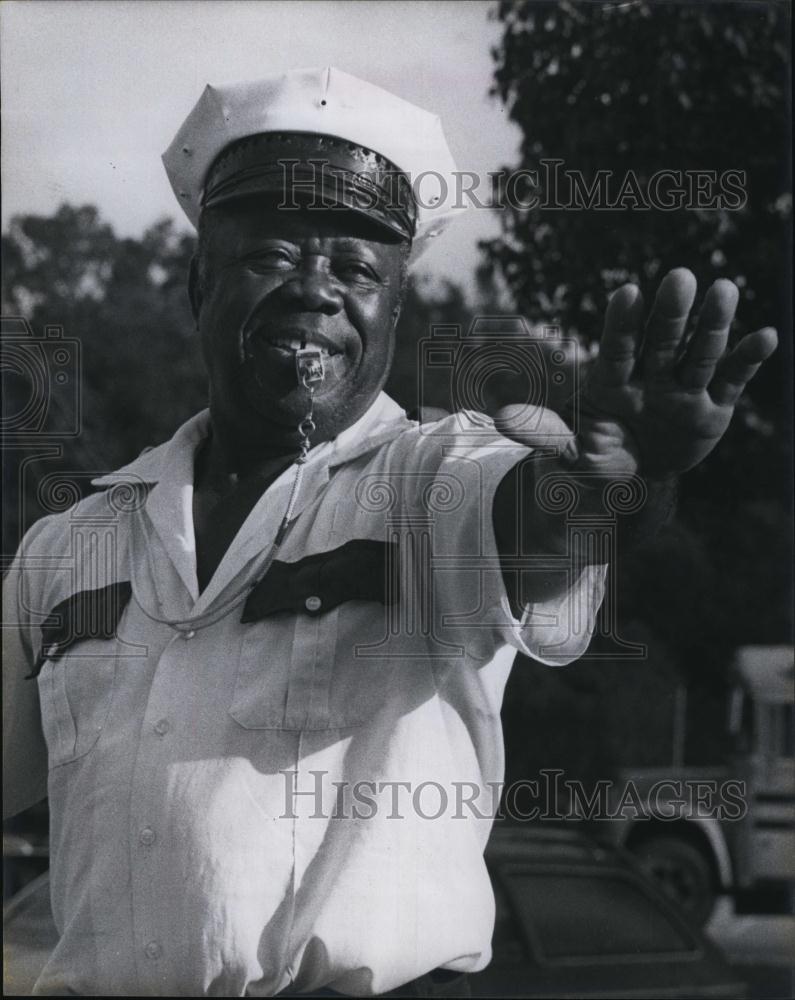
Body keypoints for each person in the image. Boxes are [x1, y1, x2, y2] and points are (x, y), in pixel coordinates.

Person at [2, 67, 777, 997]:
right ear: (198, 282)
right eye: (273, 254)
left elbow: (531, 526)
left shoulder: (430, 482)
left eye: (357, 270)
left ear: (393, 312)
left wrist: (615, 482)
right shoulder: (73, 542)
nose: (315, 292)